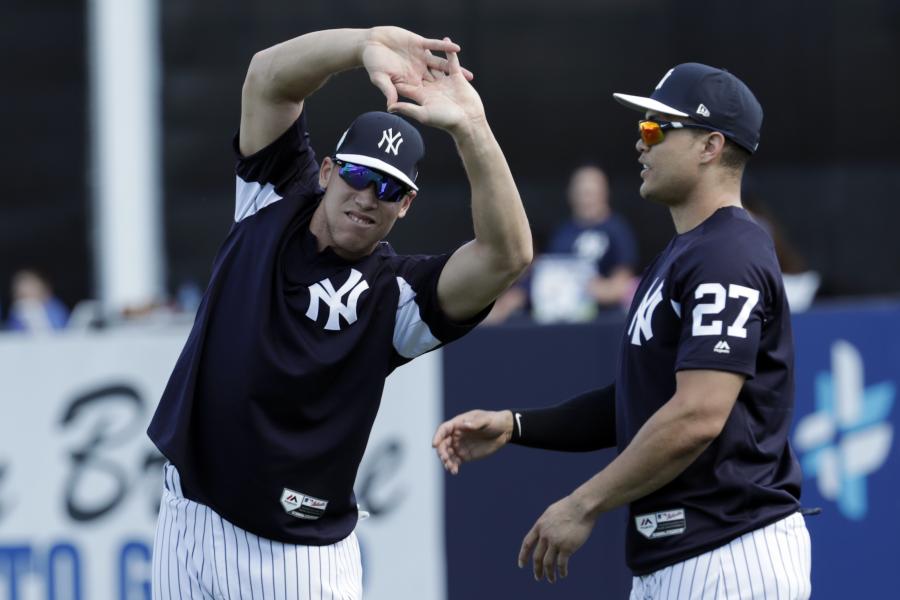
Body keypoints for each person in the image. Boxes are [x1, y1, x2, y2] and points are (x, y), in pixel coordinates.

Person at [147, 26, 531, 599]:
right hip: (187, 518)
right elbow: (268, 78)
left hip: (297, 561)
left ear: (405, 205)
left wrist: (471, 127)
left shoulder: (399, 297)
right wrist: (365, 44)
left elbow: (507, 256)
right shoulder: (273, 199)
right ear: (327, 171)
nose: (365, 196)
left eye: (387, 188)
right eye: (356, 174)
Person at [434, 63, 811, 599]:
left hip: (731, 555)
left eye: (657, 127)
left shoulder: (727, 254)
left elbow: (697, 414)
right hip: (687, 557)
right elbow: (640, 402)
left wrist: (583, 502)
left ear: (710, 146)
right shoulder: (687, 251)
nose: (640, 141)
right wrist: (516, 425)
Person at [486, 165, 638, 324]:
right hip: (560, 317)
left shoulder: (617, 230)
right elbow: (546, 273)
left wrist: (594, 288)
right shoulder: (562, 233)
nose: (586, 198)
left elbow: (623, 282)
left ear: (604, 193)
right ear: (571, 194)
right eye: (580, 192)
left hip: (600, 320)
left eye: (591, 192)